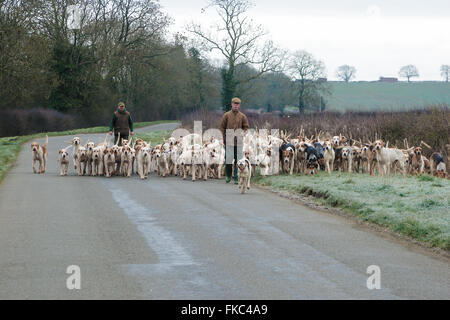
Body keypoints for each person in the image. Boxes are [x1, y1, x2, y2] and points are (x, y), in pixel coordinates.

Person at [219, 97, 249, 184]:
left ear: (239, 105)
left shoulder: (242, 116)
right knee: (228, 158)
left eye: (237, 104)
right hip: (229, 139)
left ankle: (237, 176)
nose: (236, 105)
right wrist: (221, 138)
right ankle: (228, 175)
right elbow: (221, 127)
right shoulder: (226, 115)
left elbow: (246, 127)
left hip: (239, 140)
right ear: (232, 104)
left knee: (239, 160)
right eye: (234, 104)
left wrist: (244, 132)